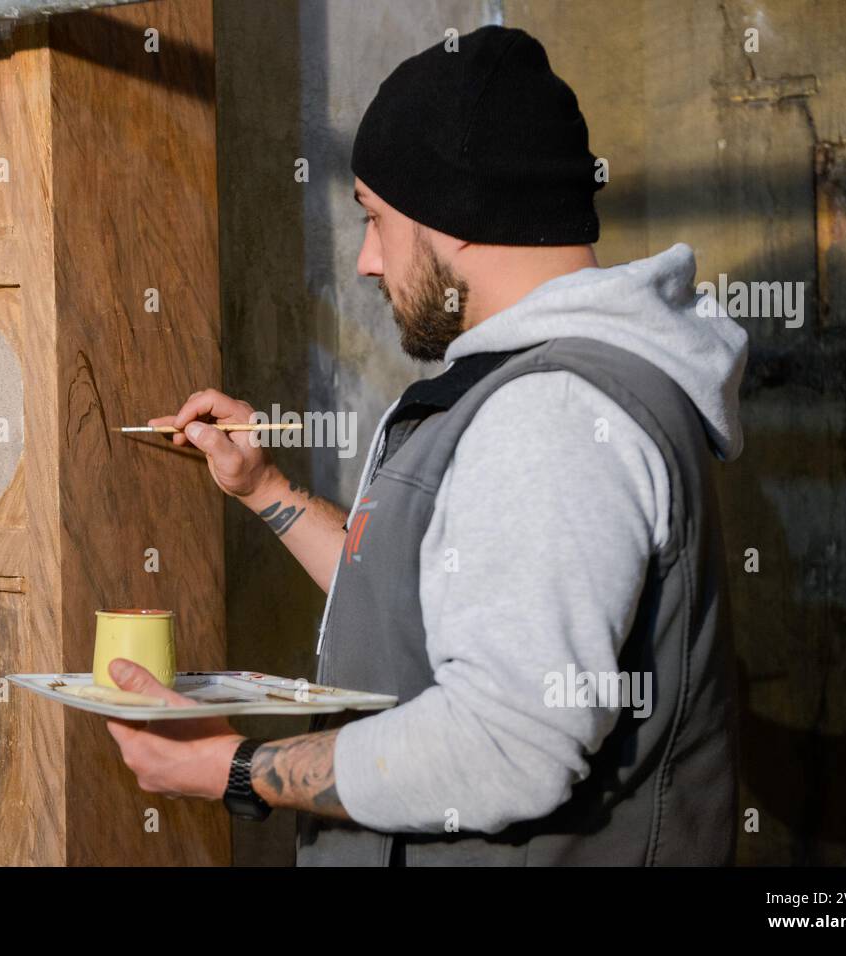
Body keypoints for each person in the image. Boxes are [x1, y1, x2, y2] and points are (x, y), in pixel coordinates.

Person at [103, 24, 748, 866]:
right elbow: (429, 600)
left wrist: (235, 769)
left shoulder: (553, 414)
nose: (368, 261)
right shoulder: (531, 387)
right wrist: (263, 487)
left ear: (457, 214)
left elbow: (508, 744)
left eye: (375, 218)